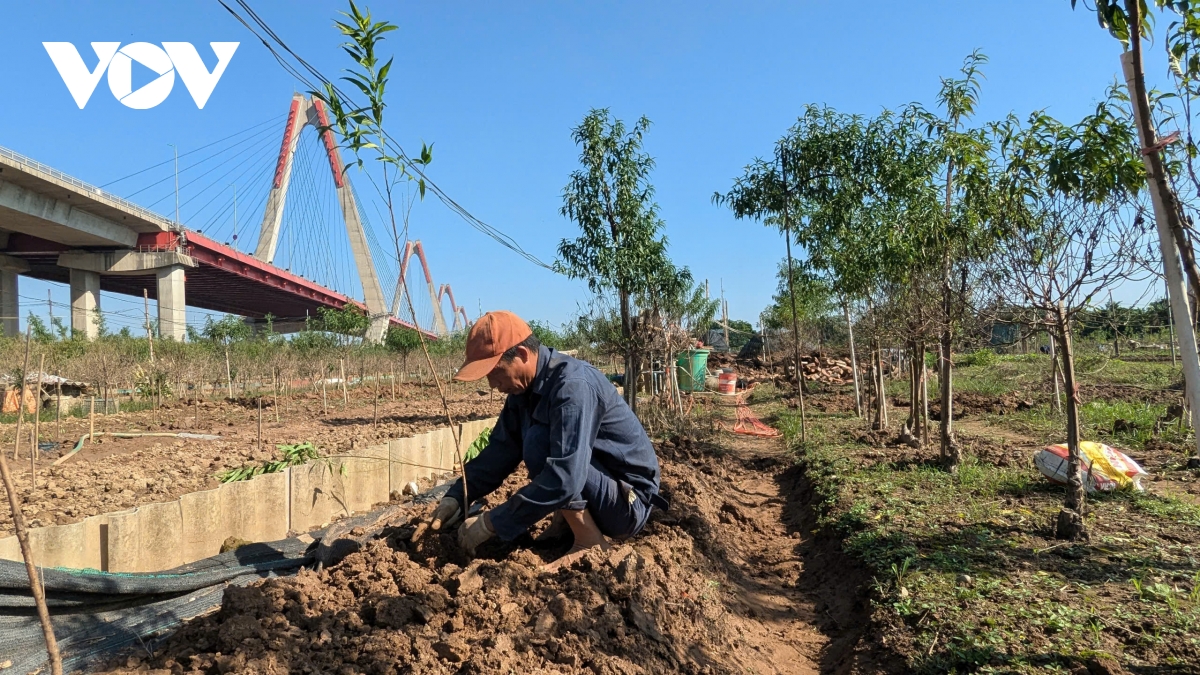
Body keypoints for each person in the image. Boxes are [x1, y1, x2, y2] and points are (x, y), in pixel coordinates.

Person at [428, 310, 667, 568]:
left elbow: (566, 477)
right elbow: (499, 451)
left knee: (540, 443)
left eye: (495, 372)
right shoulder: (522, 394)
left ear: (521, 354)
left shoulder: (572, 386)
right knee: (542, 442)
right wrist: (455, 496)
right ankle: (566, 525)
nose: (492, 384)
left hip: (628, 503)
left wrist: (492, 522)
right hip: (602, 485)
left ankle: (589, 541)